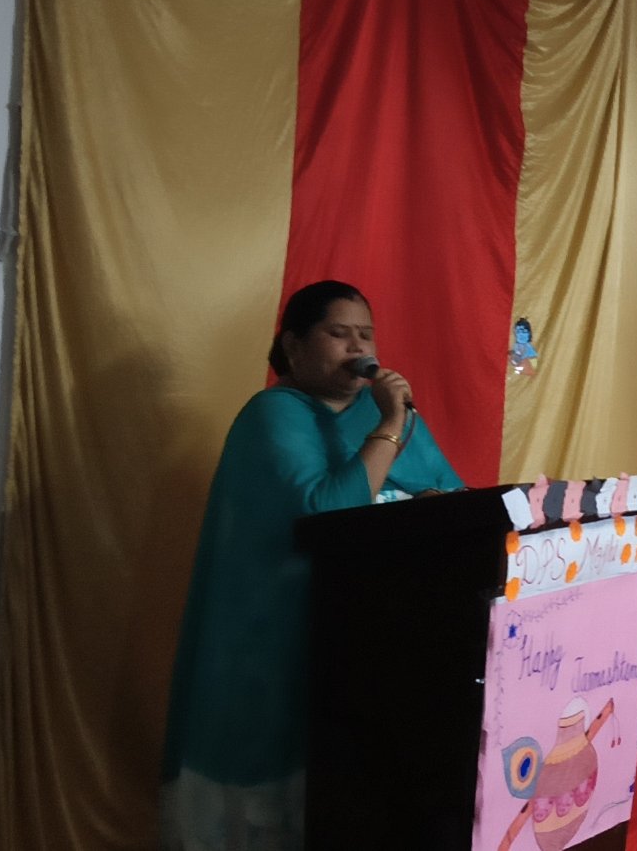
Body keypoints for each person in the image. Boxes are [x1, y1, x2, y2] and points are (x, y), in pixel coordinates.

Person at [159, 280, 463, 850]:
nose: (358, 348)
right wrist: (389, 426)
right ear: (294, 347)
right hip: (281, 638)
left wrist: (429, 499)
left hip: (375, 643)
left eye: (366, 335)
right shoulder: (275, 413)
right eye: (338, 334)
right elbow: (329, 514)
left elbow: (454, 500)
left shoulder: (387, 418)